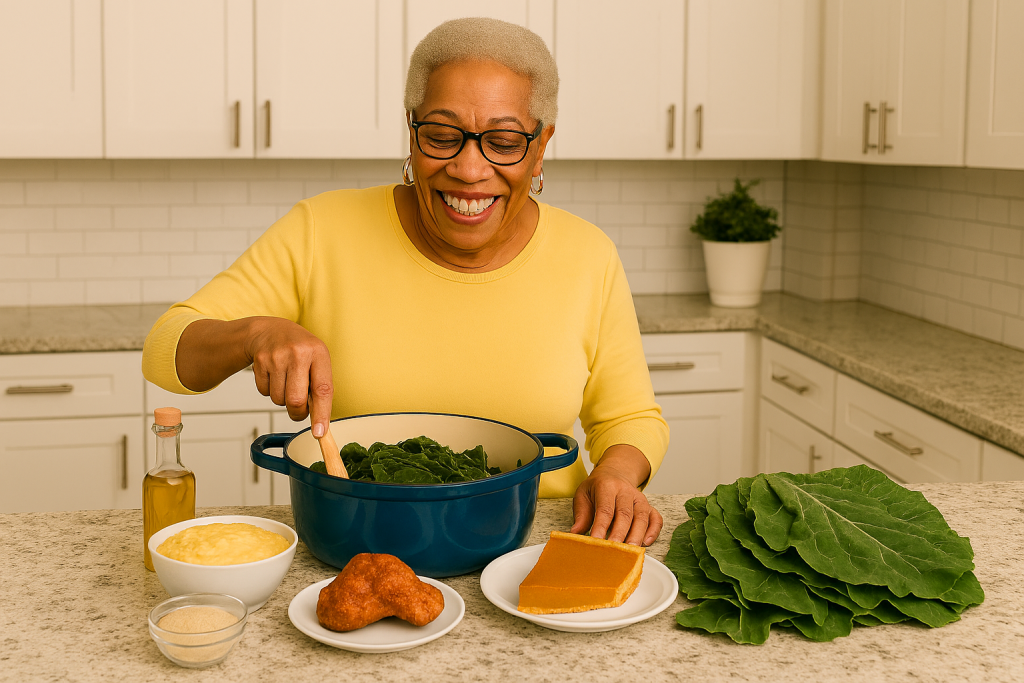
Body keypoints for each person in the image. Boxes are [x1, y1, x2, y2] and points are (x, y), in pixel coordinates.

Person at [142, 18, 669, 547]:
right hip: (359, 541)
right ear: (412, 130)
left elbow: (630, 418)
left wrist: (616, 476)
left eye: (504, 142)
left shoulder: (588, 255)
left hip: (531, 545)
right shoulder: (321, 231)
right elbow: (167, 350)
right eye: (441, 136)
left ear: (540, 147)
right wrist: (254, 333)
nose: (468, 169)